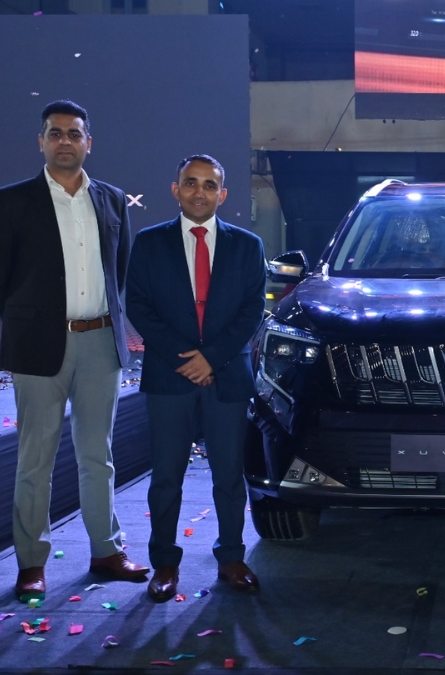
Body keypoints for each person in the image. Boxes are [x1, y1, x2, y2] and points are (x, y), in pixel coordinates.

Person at [0, 100, 150, 603]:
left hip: (100, 342)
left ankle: (106, 551)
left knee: (98, 455)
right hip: (38, 345)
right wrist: (30, 320)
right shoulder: (10, 201)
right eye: (55, 133)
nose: (64, 141)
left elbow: (118, 270)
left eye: (74, 134)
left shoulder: (112, 200)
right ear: (41, 142)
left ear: (88, 143)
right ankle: (31, 562)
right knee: (36, 459)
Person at [125, 155, 267, 602]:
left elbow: (252, 309)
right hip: (170, 376)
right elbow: (138, 305)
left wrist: (212, 358)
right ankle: (165, 563)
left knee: (229, 475)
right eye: (191, 183)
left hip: (227, 376)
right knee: (166, 477)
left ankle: (232, 557)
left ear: (222, 194)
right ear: (176, 190)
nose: (199, 192)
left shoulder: (247, 246)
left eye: (209, 185)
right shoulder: (150, 243)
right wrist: (184, 358)